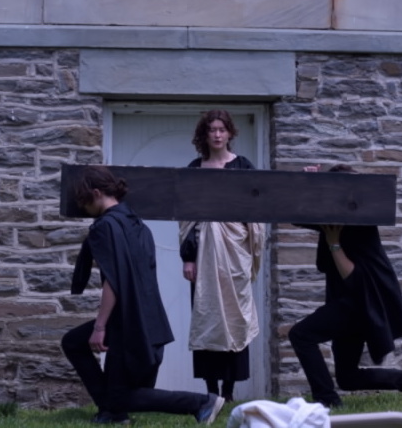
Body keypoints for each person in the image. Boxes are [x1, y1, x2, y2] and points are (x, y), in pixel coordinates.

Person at [62, 166, 226, 425]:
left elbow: (114, 281)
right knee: (74, 342)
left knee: (123, 397)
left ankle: (201, 402)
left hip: (130, 327)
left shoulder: (106, 226)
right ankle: (111, 415)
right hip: (149, 324)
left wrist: (100, 326)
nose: (81, 206)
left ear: (96, 192)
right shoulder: (136, 223)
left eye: (82, 199)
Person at [288, 165, 402, 409]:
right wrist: (308, 182)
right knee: (347, 377)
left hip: (361, 302)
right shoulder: (333, 217)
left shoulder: (359, 221)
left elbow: (355, 278)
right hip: (351, 301)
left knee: (301, 335)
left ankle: (327, 401)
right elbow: (297, 215)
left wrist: (334, 244)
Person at [180, 110, 265, 402]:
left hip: (235, 255)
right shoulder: (195, 169)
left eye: (221, 129)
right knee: (207, 316)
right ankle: (211, 392)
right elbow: (187, 220)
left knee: (234, 315)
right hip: (203, 255)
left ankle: (229, 392)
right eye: (211, 130)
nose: (217, 135)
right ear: (203, 135)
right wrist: (188, 258)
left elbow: (254, 210)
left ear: (229, 133)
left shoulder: (243, 166)